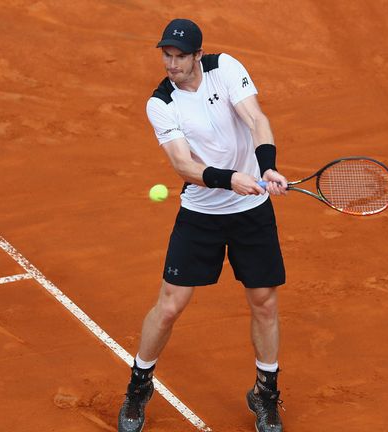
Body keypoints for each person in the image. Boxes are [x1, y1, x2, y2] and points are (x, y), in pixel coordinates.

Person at [117, 18, 288, 432]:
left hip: (252, 212)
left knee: (264, 302)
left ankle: (265, 393)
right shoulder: (161, 102)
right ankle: (139, 386)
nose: (171, 64)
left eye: (179, 57)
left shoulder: (224, 67)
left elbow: (257, 120)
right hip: (202, 216)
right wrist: (230, 179)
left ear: (197, 55)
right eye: (166, 55)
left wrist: (267, 168)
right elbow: (183, 165)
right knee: (171, 305)